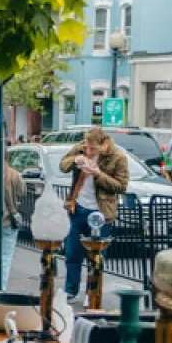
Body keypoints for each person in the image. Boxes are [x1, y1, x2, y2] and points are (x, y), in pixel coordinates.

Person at [58, 127, 130, 305]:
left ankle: (92, 292)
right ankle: (70, 290)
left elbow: (121, 186)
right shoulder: (81, 148)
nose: (89, 151)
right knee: (72, 253)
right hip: (78, 207)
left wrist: (98, 174)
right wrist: (76, 159)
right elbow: (62, 165)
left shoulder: (118, 157)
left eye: (93, 149)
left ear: (104, 144)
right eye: (87, 148)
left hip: (100, 212)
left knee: (96, 256)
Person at [1, 150, 27, 289]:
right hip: (7, 221)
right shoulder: (14, 174)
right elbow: (22, 192)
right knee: (5, 257)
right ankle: (2, 289)